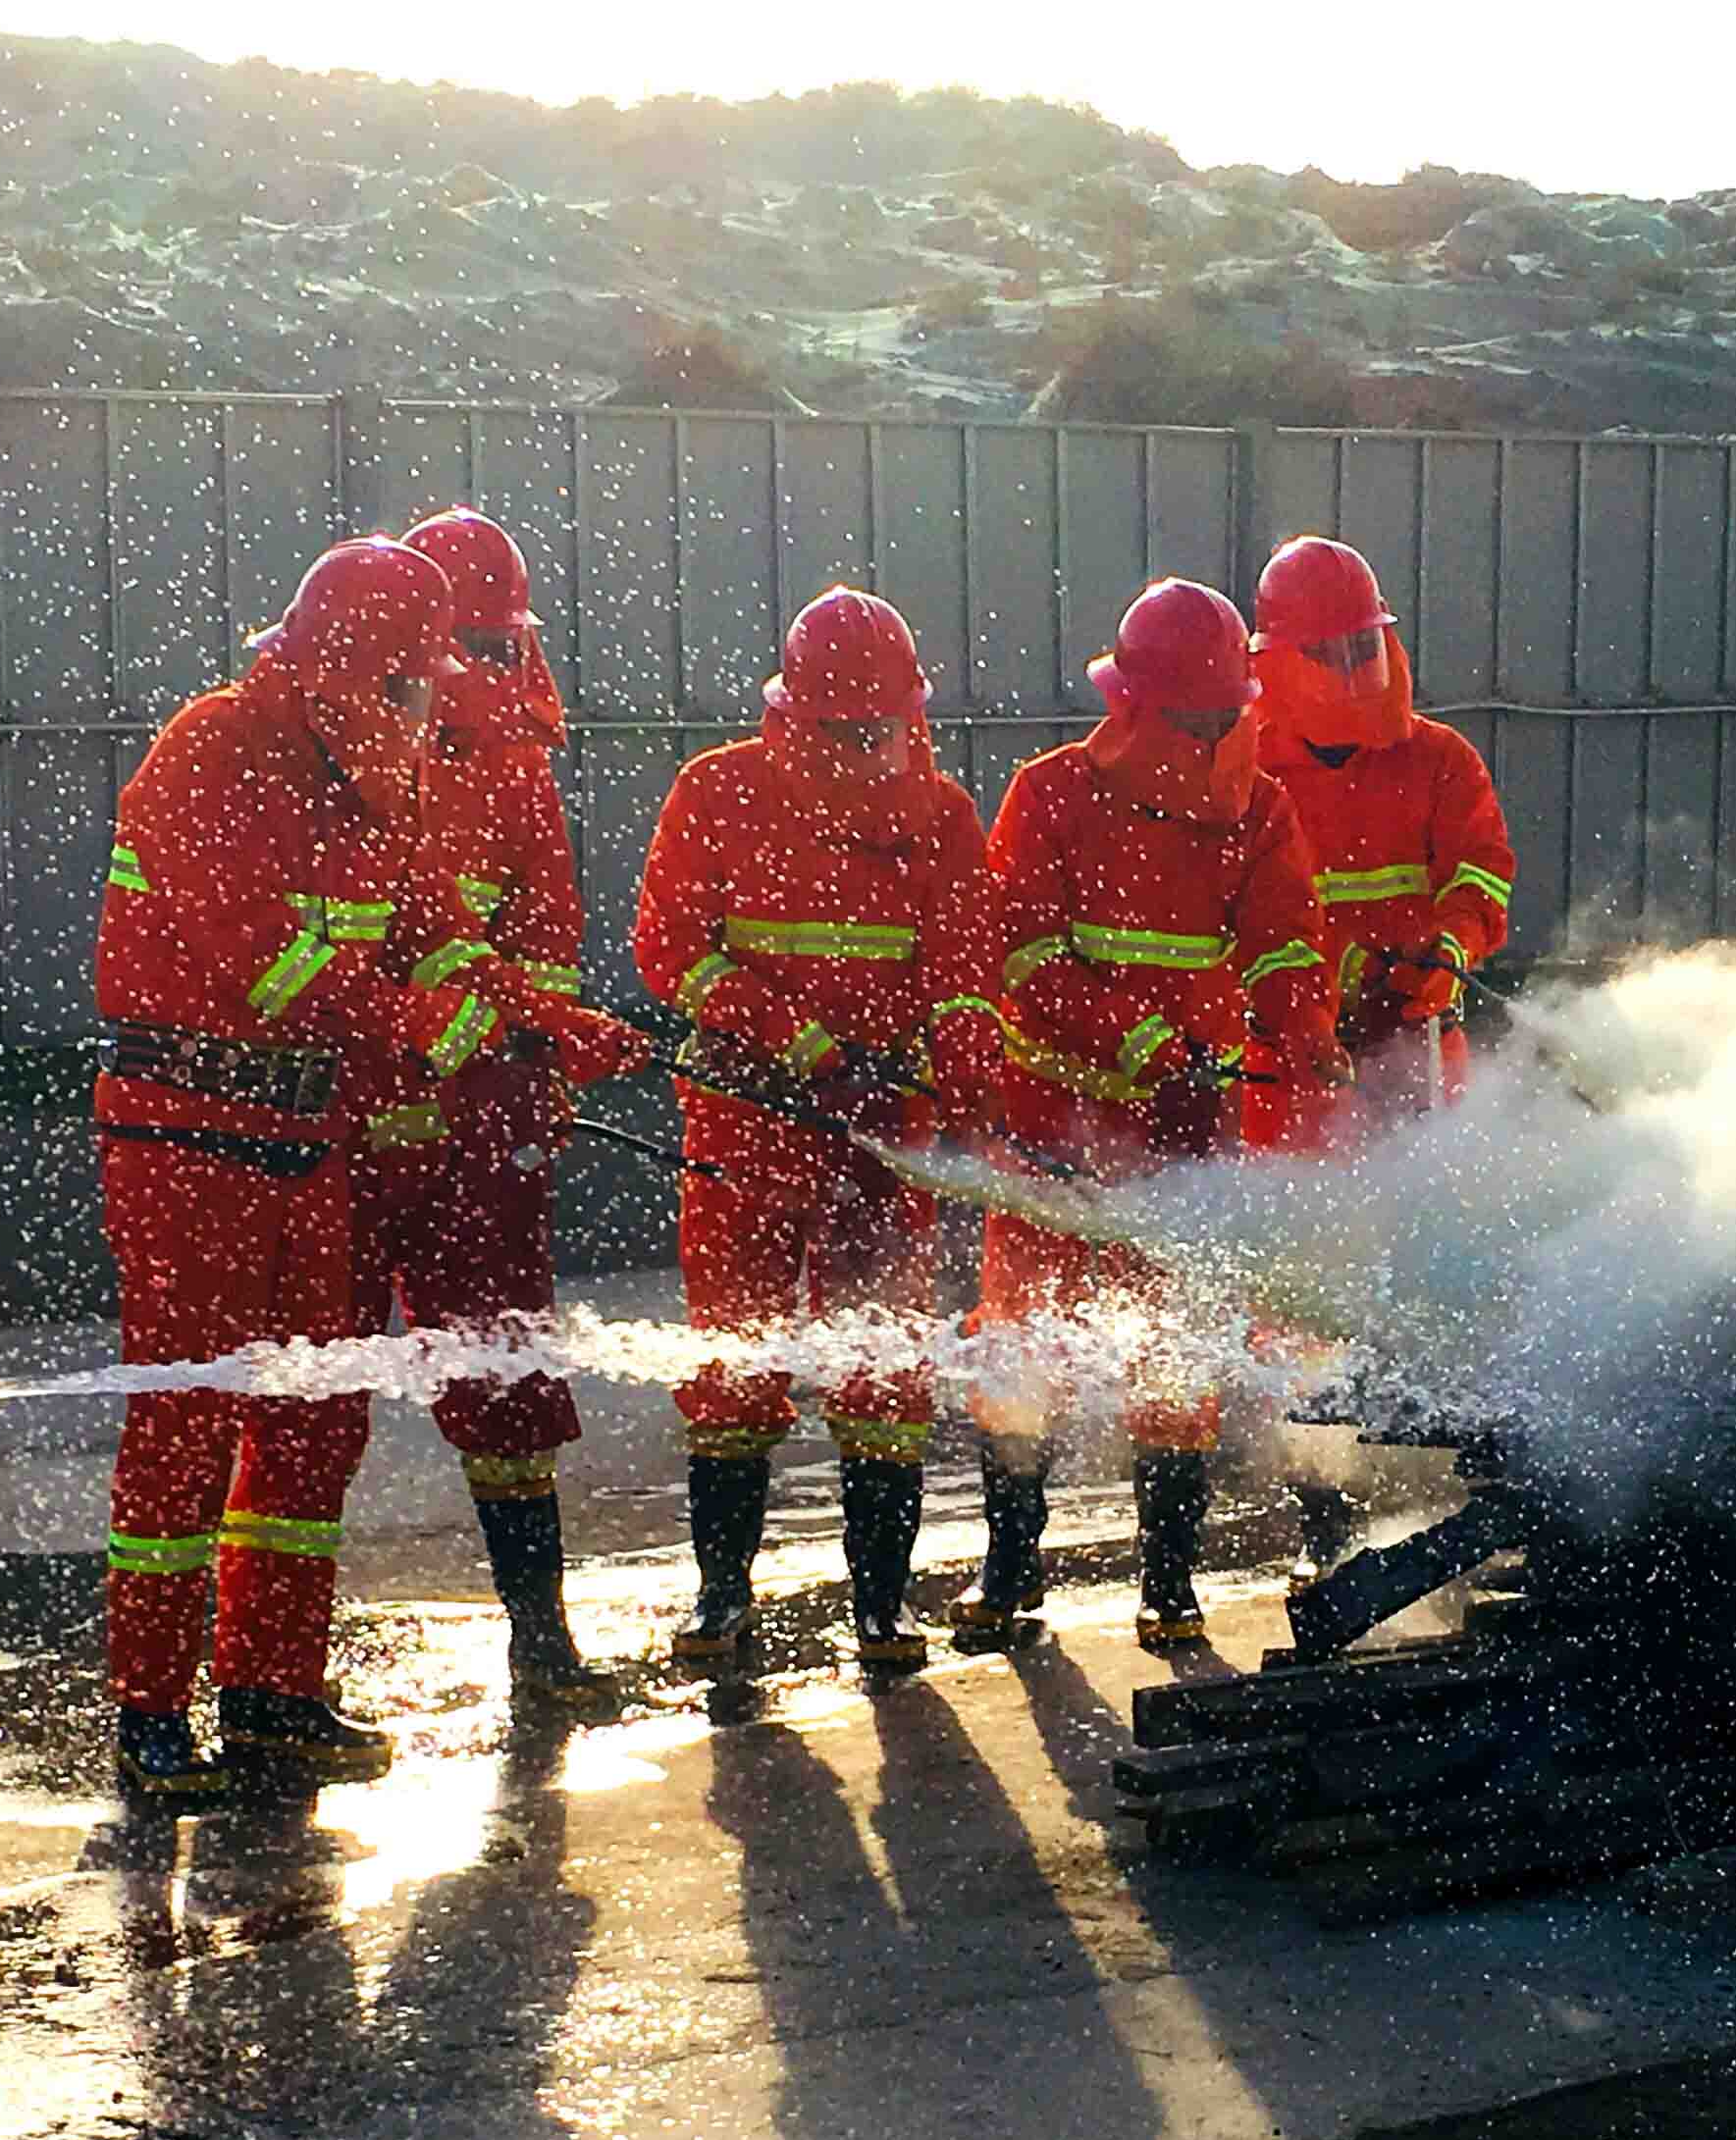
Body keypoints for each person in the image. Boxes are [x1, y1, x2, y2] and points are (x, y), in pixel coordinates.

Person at [96, 538, 626, 1804]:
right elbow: (268, 970)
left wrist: (540, 1017)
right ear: (357, 670)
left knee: (313, 1420)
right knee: (185, 1427)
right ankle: (152, 1718)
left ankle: (273, 1693)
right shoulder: (211, 755)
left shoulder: (365, 782)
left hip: (300, 1144)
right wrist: (433, 1027)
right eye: (410, 687)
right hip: (189, 1139)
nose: (424, 713)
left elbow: (435, 932)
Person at [947, 578, 1340, 1658]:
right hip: (1050, 1128)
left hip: (1185, 1132)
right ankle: (1010, 1568)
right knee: (1024, 1351)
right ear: (1133, 709)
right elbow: (1022, 953)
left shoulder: (1261, 807)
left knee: (1178, 1355)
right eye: (1195, 722)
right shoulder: (1051, 795)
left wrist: (1300, 1027)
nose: (1214, 741)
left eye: (1228, 721)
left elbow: (1284, 938)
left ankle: (1168, 1582)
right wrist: (1144, 1047)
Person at [630, 587, 996, 1674]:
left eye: (887, 729)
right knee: (735, 1364)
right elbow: (671, 951)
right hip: (749, 1128)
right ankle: (720, 1595)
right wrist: (798, 1046)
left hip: (883, 1136)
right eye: (851, 731)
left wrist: (955, 1071)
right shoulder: (718, 792)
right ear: (797, 717)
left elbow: (965, 967)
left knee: (885, 1371)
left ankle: (881, 1608)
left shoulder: (939, 814)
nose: (873, 749)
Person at [345, 508, 648, 1700]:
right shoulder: (353, 749)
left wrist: (541, 1068)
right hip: (362, 1117)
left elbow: (545, 941)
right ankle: (271, 1678)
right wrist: (462, 1046)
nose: (491, 665)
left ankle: (541, 1634)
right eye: (473, 641)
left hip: (475, 1123)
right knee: (307, 1401)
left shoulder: (515, 766)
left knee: (511, 1376)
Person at [1244, 534, 1521, 1566]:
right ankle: (1327, 1525)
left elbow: (1482, 875)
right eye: (1334, 653)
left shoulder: (1441, 759)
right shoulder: (1245, 772)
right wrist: (1312, 1008)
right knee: (1308, 1298)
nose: (1355, 673)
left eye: (1366, 648)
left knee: (1426, 1282)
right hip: (1296, 1079)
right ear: (1278, 660)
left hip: (1414, 1062)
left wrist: (1445, 951)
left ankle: (1446, 1516)